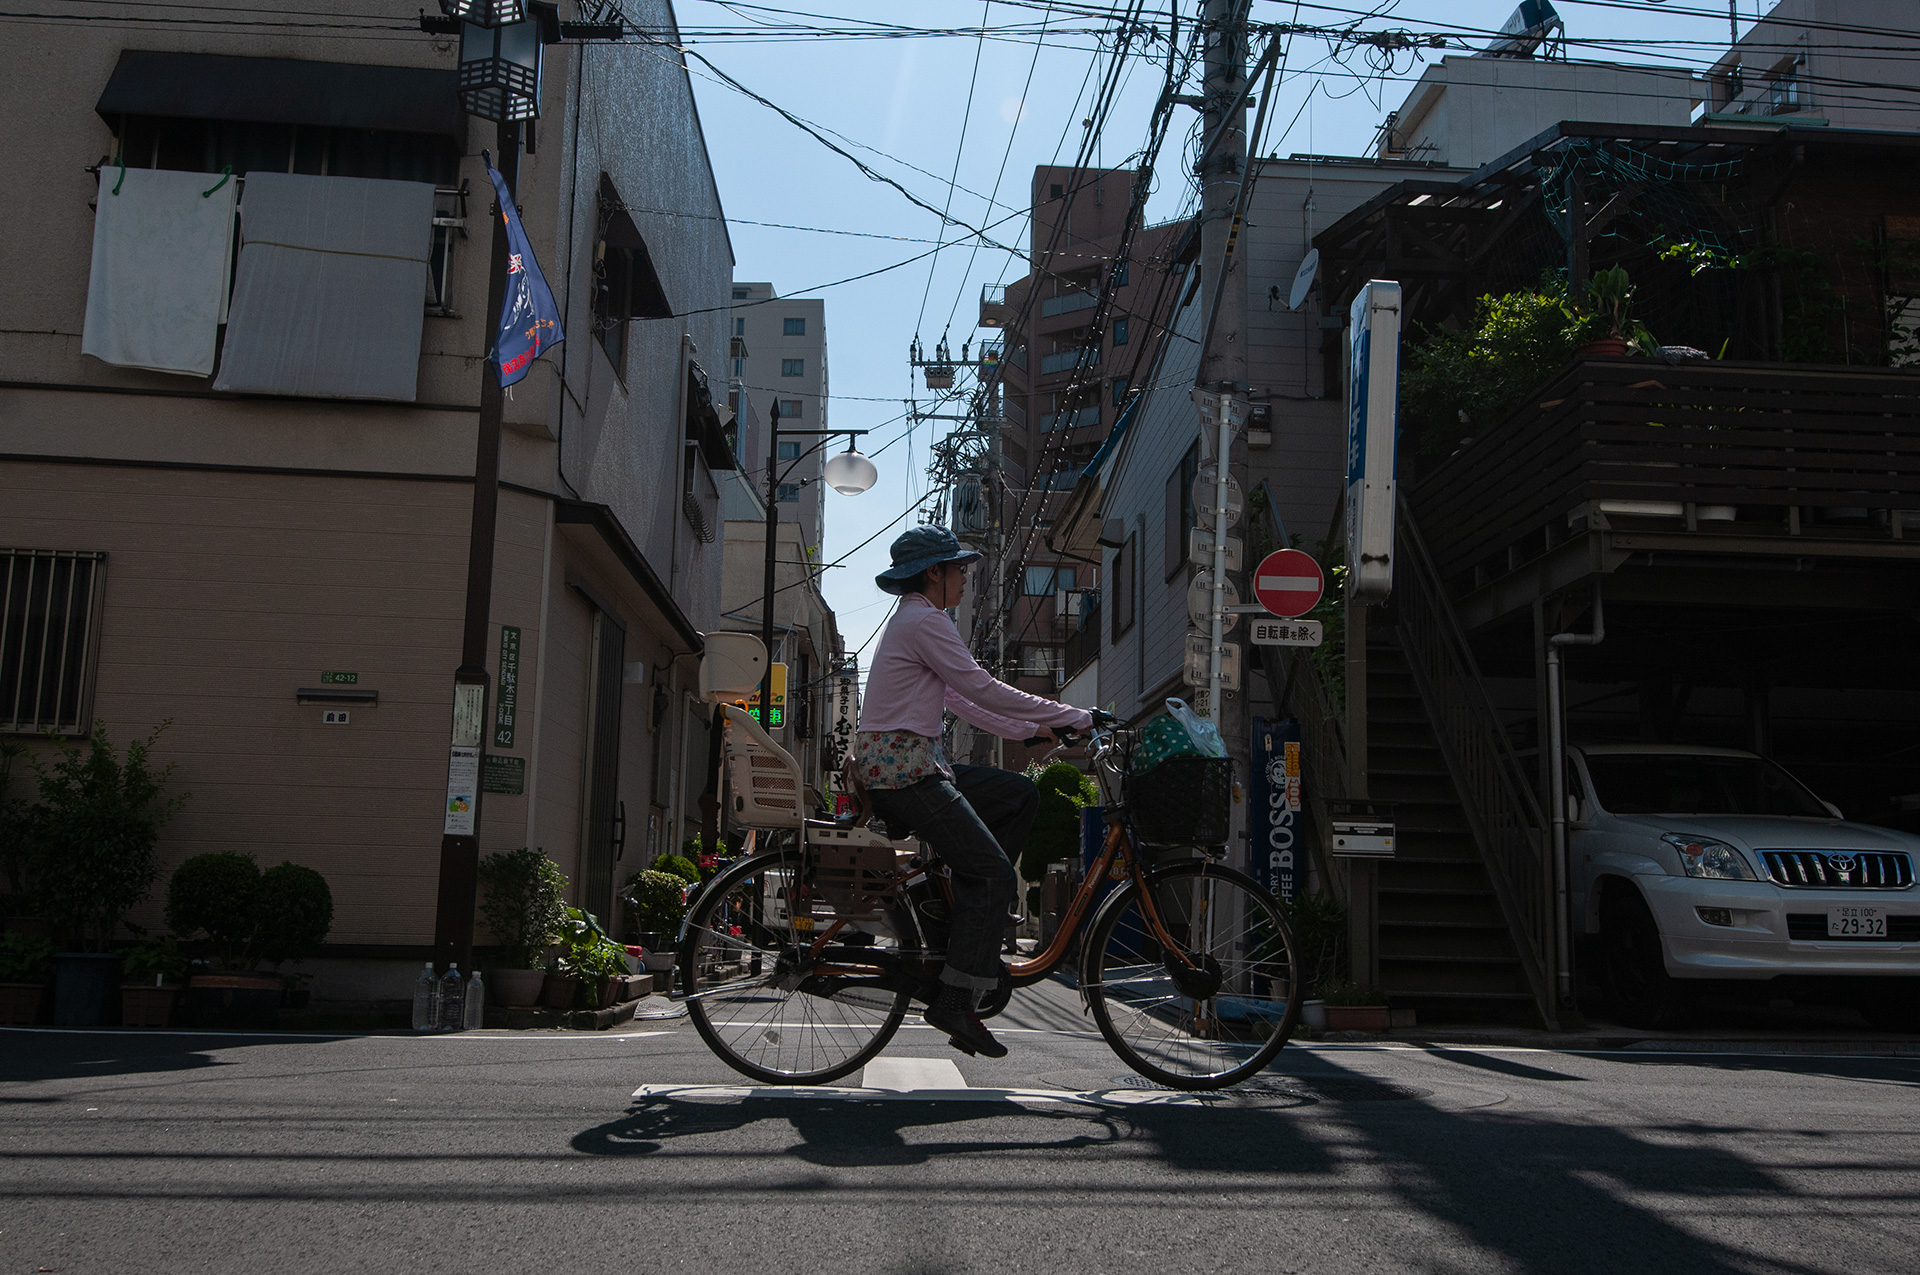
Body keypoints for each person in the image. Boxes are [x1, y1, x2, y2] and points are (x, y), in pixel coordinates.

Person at [855, 525, 1092, 1058]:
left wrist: (1030, 730)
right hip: (906, 771)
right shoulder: (925, 619)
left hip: (913, 764)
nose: (964, 578)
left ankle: (965, 906)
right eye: (958, 569)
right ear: (934, 573)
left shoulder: (917, 621)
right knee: (992, 873)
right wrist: (1071, 714)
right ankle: (956, 997)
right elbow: (980, 687)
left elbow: (963, 702)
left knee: (1017, 795)